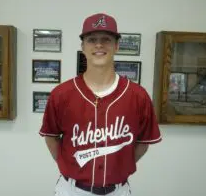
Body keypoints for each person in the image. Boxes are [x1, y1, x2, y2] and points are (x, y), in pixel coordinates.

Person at [39, 13, 162, 196]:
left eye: (106, 39)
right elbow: (51, 137)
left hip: (118, 191)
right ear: (83, 46)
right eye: (91, 39)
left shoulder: (138, 96)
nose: (99, 45)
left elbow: (143, 142)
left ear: (117, 45)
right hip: (72, 190)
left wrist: (120, 166)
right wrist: (71, 167)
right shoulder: (62, 94)